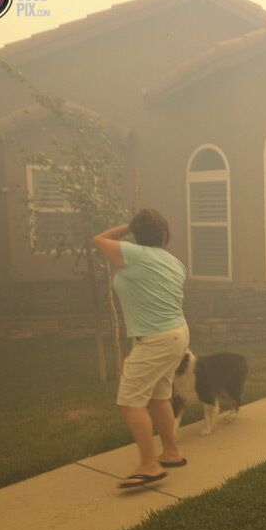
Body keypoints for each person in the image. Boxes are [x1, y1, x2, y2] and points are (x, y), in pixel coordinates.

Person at [93, 209, 189, 488]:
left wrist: (129, 227)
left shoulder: (134, 255)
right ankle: (171, 452)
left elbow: (98, 239)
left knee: (130, 401)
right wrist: (139, 230)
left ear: (137, 235)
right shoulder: (173, 261)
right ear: (165, 236)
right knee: (159, 397)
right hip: (177, 334)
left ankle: (150, 465)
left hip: (156, 339)